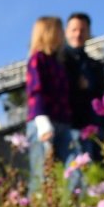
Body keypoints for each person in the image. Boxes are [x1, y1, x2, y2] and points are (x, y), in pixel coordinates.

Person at [25, 17, 74, 196]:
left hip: (63, 121)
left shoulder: (59, 64)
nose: (63, 35)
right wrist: (41, 119)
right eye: (60, 31)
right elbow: (35, 90)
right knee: (42, 175)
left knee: (73, 167)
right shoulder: (37, 59)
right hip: (43, 122)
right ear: (49, 33)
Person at [59, 12, 104, 165]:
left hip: (99, 128)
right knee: (82, 176)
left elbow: (101, 95)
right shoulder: (59, 62)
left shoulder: (95, 65)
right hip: (74, 128)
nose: (78, 34)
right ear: (66, 32)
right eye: (74, 30)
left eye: (82, 30)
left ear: (88, 33)